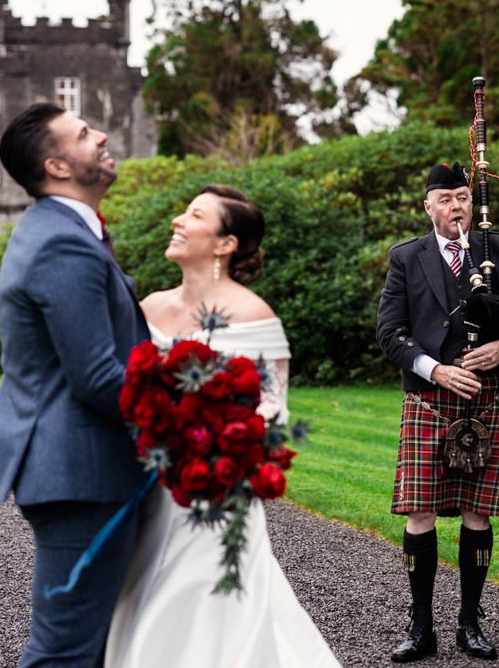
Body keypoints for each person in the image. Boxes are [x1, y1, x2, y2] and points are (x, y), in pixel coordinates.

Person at [105, 184, 342, 668]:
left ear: (224, 244)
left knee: (209, 603)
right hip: (146, 488)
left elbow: (272, 413)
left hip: (216, 490)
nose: (177, 220)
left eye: (193, 214)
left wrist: (208, 450)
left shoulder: (256, 316)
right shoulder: (148, 307)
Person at [0, 103, 150, 668]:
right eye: (84, 134)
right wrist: (197, 407)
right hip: (81, 473)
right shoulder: (61, 240)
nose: (102, 134)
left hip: (81, 469)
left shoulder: (66, 231)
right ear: (56, 166)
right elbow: (98, 377)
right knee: (65, 654)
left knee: (92, 645)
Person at [377, 161, 499, 663]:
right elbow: (389, 330)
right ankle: (420, 628)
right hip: (429, 399)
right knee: (419, 513)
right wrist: (434, 369)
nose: (456, 206)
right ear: (428, 206)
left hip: (488, 397)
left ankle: (470, 623)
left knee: (478, 511)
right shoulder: (406, 258)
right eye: (445, 198)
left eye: (462, 196)